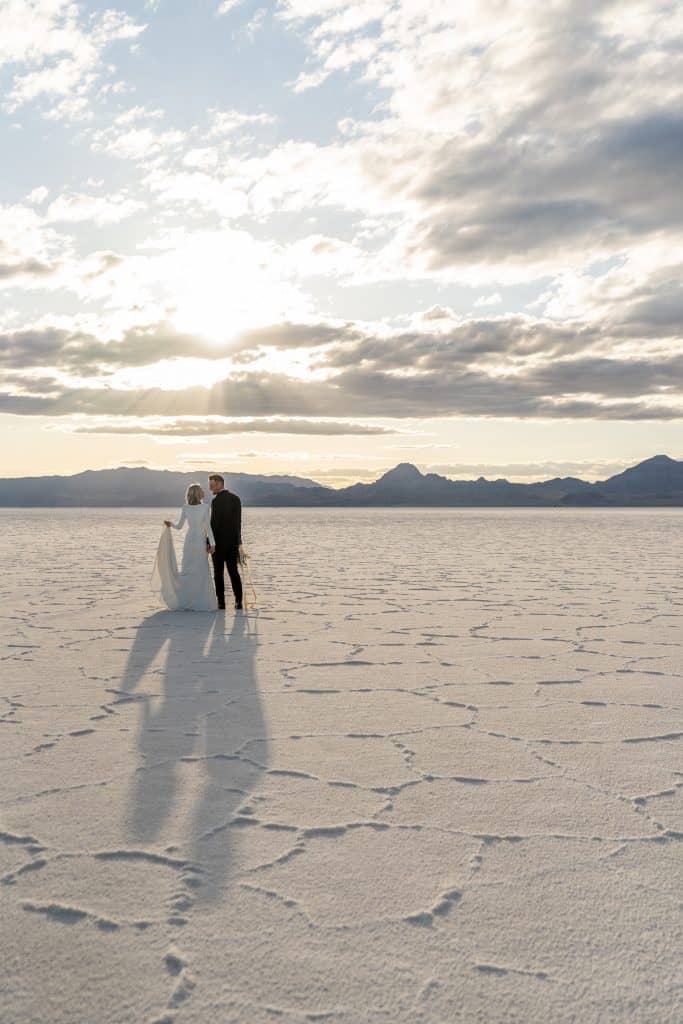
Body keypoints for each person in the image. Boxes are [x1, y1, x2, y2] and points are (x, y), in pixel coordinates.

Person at [151, 483, 217, 611]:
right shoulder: (205, 507)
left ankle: (185, 599)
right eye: (202, 490)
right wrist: (213, 544)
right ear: (198, 493)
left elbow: (180, 526)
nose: (204, 492)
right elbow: (208, 528)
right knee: (201, 569)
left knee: (188, 571)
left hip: (189, 542)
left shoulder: (185, 507)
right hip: (199, 541)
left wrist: (171, 524)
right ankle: (201, 601)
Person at [208, 473, 243, 610]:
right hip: (233, 543)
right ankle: (238, 601)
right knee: (234, 572)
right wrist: (239, 541)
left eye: (212, 485)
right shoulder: (236, 499)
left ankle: (221, 603)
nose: (211, 489)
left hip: (218, 544)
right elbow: (238, 523)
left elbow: (213, 524)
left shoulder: (216, 501)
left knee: (218, 573)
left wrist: (209, 542)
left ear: (219, 483)